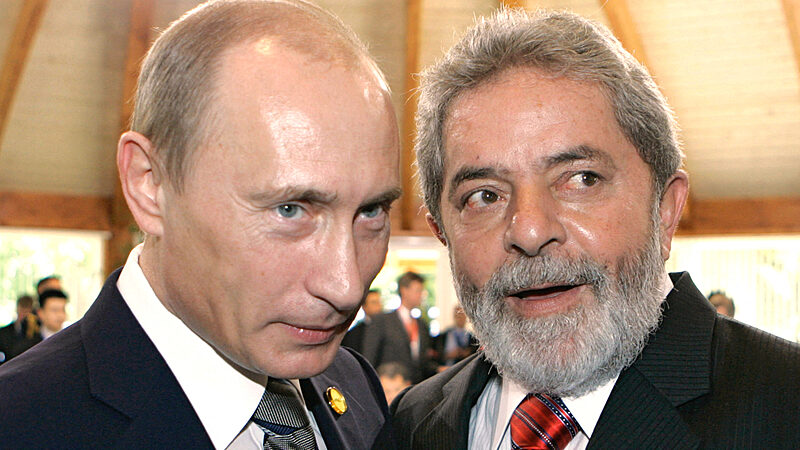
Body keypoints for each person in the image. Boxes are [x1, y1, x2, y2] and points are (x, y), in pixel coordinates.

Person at [391, 8, 800, 449]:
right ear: (442, 232)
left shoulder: (785, 406)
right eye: (485, 196)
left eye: (581, 179)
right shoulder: (410, 424)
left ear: (665, 209)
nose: (529, 231)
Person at [0, 1, 401, 448]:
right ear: (150, 185)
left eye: (371, 211)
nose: (346, 286)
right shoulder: (18, 423)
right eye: (290, 209)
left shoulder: (355, 387)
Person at [363, 272, 437, 383]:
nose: (421, 294)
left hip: (415, 388)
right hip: (390, 388)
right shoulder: (382, 321)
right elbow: (369, 357)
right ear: (404, 291)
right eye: (418, 290)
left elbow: (423, 362)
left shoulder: (422, 325)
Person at [8, 289, 68, 358]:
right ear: (40, 313)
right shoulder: (27, 347)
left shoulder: (70, 342)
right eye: (54, 310)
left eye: (63, 309)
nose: (60, 315)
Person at [342, 289, 383, 354]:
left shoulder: (391, 327)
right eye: (374, 302)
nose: (379, 306)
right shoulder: (354, 335)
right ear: (364, 307)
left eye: (380, 302)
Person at [0, 295, 34, 364]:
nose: (24, 314)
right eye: (22, 310)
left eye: (27, 311)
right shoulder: (3, 332)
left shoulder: (36, 333)